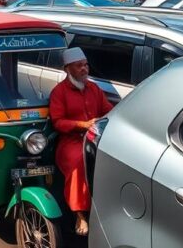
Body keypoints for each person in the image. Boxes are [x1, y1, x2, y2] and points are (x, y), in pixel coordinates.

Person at [49, 47, 113, 236]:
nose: (85, 69)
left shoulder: (94, 88)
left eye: (86, 65)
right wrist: (82, 124)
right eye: (79, 66)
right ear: (68, 69)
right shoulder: (59, 92)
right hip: (71, 142)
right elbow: (58, 122)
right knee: (79, 163)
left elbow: (108, 109)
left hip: (95, 138)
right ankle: (80, 215)